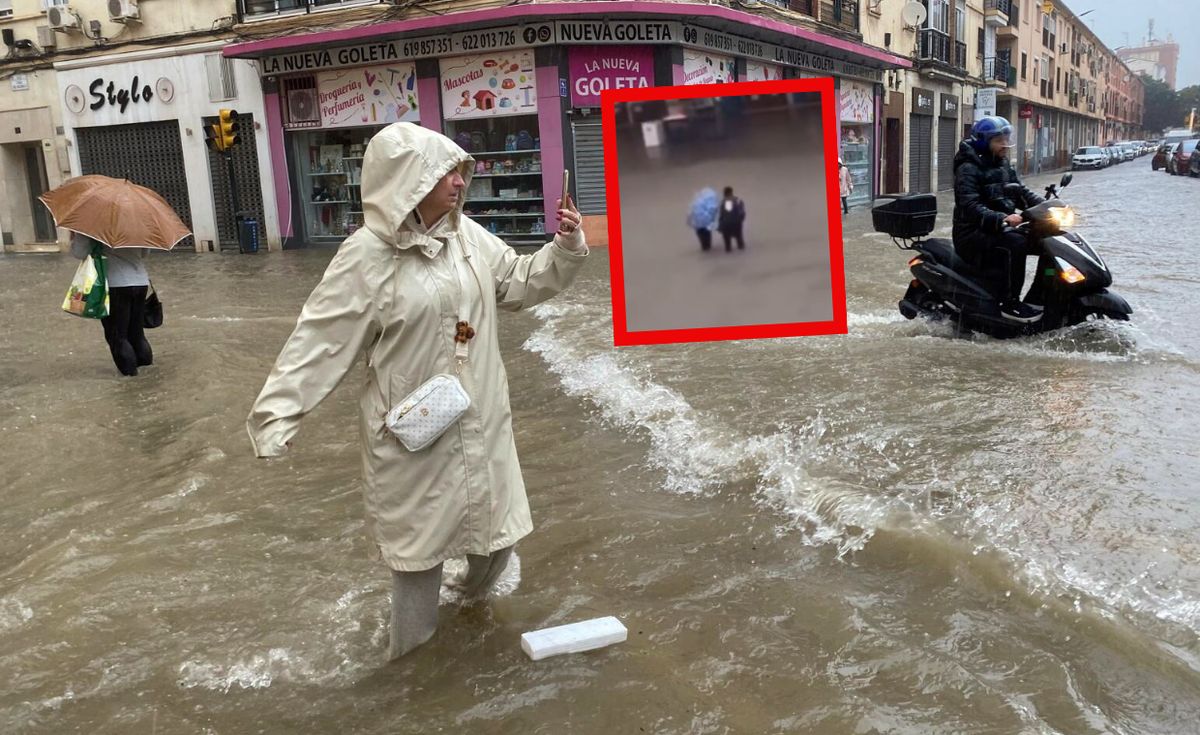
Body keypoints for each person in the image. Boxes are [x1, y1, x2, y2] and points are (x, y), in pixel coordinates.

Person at [246, 122, 587, 661]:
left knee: (498, 538)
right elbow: (320, 339)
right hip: (414, 435)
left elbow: (517, 281)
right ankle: (409, 672)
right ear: (409, 181)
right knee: (418, 559)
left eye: (459, 171)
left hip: (481, 419)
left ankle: (465, 610)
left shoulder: (467, 237)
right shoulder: (366, 257)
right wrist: (278, 415)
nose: (458, 182)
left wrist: (564, 248)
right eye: (445, 173)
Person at [952, 116, 1046, 323]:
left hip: (998, 229)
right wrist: (1002, 218)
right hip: (972, 233)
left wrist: (1046, 207)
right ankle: (1009, 303)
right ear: (984, 142)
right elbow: (969, 206)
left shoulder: (1003, 165)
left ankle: (1041, 296)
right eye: (999, 140)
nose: (1005, 144)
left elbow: (1021, 192)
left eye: (1006, 138)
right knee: (1017, 243)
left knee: (1046, 241)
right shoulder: (967, 168)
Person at [69, 232, 153, 376]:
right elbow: (144, 253)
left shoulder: (93, 226)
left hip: (115, 284)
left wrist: (76, 237)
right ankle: (148, 374)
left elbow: (79, 253)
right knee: (137, 333)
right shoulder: (137, 224)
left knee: (117, 336)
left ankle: (130, 380)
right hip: (140, 282)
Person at [718, 186, 746, 252]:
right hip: (736, 223)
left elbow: (722, 215)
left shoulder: (723, 202)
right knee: (739, 239)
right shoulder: (737, 200)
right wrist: (741, 219)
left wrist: (720, 225)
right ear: (731, 192)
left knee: (727, 244)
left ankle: (729, 253)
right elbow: (742, 213)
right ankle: (741, 253)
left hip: (726, 224)